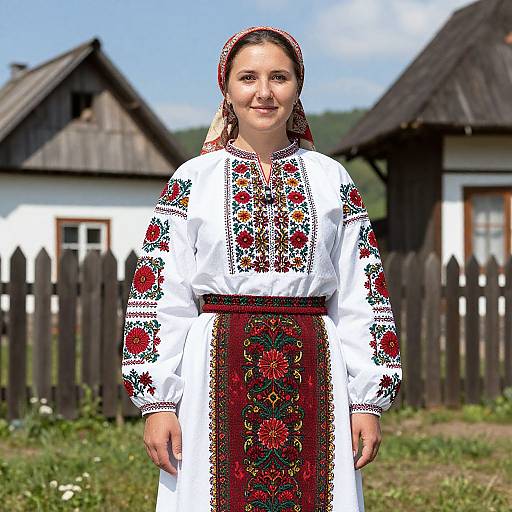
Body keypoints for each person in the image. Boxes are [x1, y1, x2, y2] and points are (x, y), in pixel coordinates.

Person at [121, 25, 402, 511]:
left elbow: (362, 295)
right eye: (248, 77)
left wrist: (367, 400)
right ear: (226, 89)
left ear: (298, 87)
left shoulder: (331, 178)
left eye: (280, 77)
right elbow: (160, 295)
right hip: (214, 370)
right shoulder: (192, 180)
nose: (264, 92)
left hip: (314, 368)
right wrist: (159, 402)